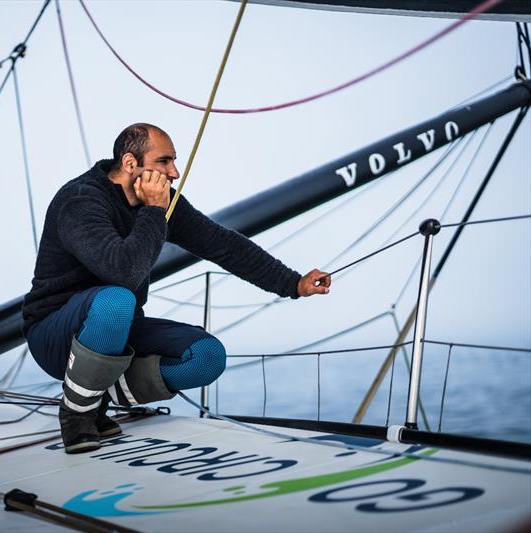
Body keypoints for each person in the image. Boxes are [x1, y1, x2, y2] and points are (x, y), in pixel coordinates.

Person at [22, 123, 330, 454]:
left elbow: (222, 244)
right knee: (117, 300)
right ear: (130, 164)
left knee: (207, 357)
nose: (175, 172)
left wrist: (292, 283)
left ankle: (91, 394)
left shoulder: (165, 203)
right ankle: (77, 414)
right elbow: (123, 272)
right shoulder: (81, 200)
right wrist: (154, 210)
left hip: (117, 330)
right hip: (56, 336)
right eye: (165, 162)